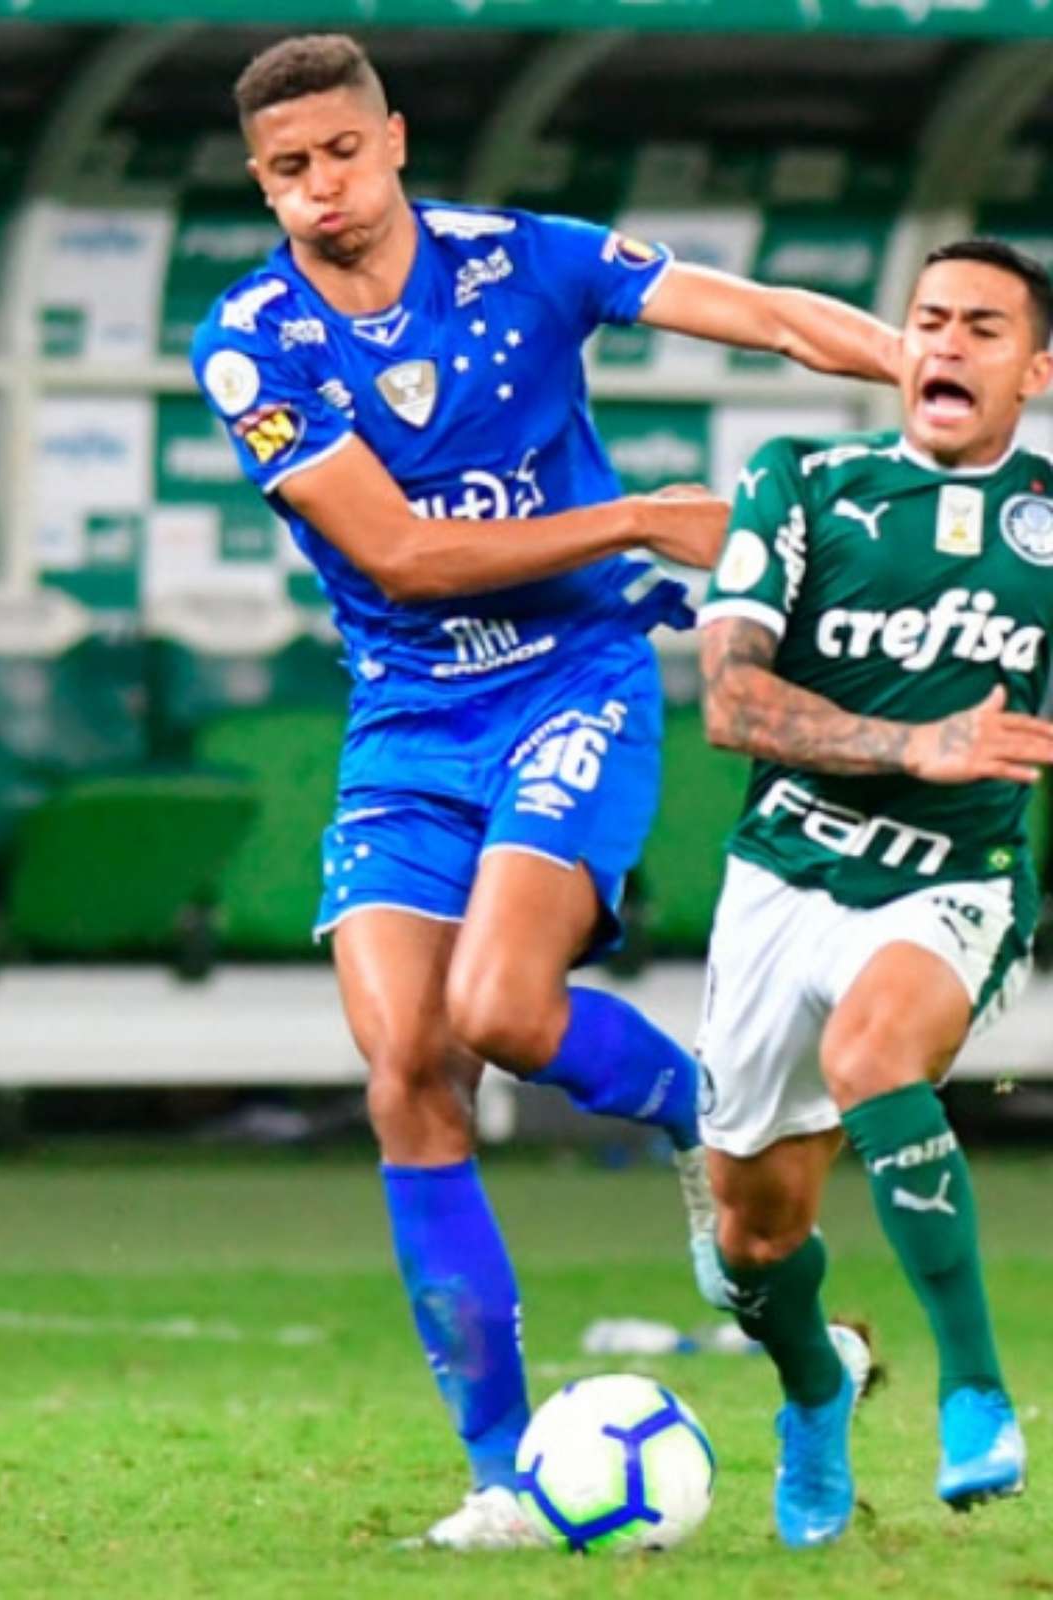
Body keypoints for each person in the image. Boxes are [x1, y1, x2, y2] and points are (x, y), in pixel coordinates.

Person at [192, 33, 900, 1549]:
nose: (320, 187)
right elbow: (400, 555)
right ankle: (508, 1475)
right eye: (285, 169)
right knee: (408, 1074)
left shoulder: (524, 261)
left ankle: (712, 1140)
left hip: (568, 687)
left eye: (340, 152)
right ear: (263, 184)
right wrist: (640, 515)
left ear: (393, 140)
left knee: (505, 1013)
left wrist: (927, 364)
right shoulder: (253, 341)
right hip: (406, 722)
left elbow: (760, 313)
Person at [697, 237, 1053, 1549]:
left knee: (872, 1054)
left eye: (983, 329)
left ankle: (976, 1391)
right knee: (751, 1237)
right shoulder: (801, 481)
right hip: (785, 874)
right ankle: (813, 1385)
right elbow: (730, 700)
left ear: (1038, 370)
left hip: (954, 884)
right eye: (928, 320)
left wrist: (964, 767)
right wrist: (915, 742)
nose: (947, 345)